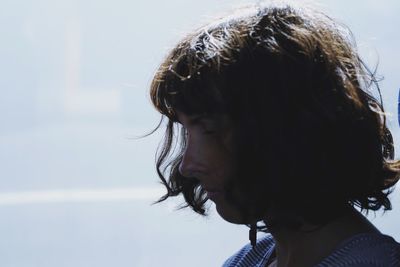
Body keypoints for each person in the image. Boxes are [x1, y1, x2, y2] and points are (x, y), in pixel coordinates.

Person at [148, 2, 400, 266]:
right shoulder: (247, 260)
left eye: (210, 130)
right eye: (186, 132)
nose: (187, 166)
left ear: (286, 129)